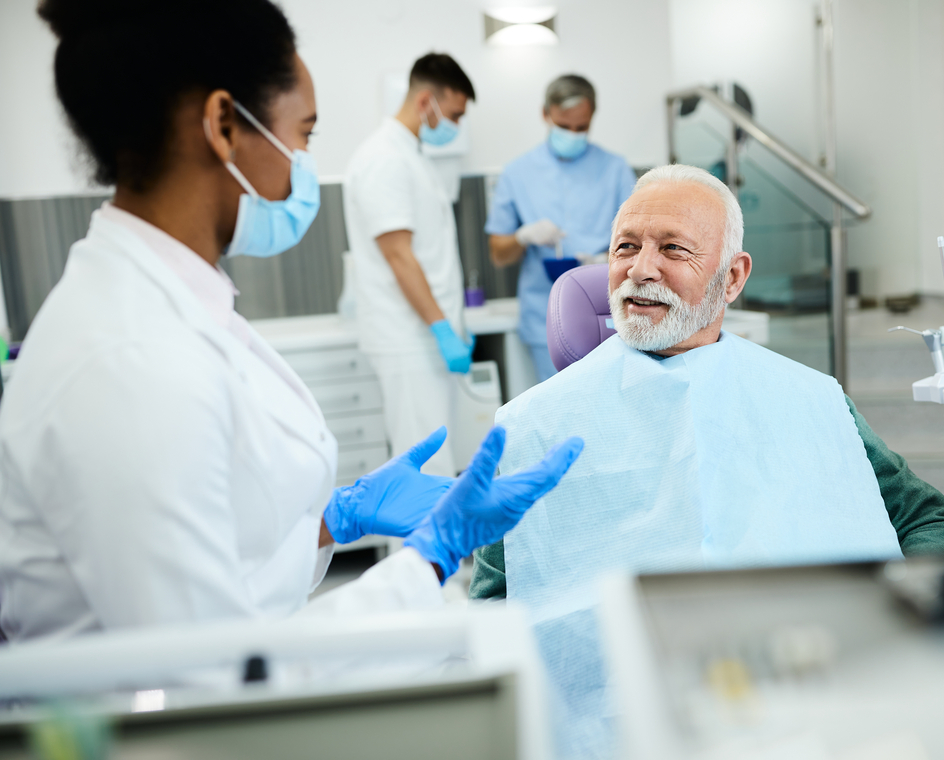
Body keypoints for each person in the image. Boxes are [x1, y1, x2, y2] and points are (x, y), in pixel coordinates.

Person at [0, 0, 581, 643]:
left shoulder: (169, 299)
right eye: (304, 135)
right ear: (224, 125)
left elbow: (225, 562)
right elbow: (211, 669)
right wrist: (431, 559)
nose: (303, 163)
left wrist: (330, 522)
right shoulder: (128, 359)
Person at [469, 165, 944, 754]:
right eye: (626, 247)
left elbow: (927, 522)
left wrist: (894, 622)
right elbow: (494, 601)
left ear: (732, 277)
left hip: (809, 709)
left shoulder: (810, 399)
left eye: (673, 249)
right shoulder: (535, 425)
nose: (640, 269)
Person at [344, 54, 475, 478]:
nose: (456, 125)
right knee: (426, 471)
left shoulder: (411, 155)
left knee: (437, 465)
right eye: (454, 114)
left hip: (424, 339)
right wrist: (442, 329)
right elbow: (398, 256)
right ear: (425, 102)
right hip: (409, 339)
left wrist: (451, 325)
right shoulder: (384, 159)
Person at [486, 75, 636, 382]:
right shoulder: (517, 173)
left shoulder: (616, 169)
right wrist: (522, 237)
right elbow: (498, 254)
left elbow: (643, 237)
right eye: (564, 126)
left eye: (582, 127)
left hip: (609, 312)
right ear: (546, 114)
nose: (573, 134)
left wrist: (608, 260)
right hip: (544, 316)